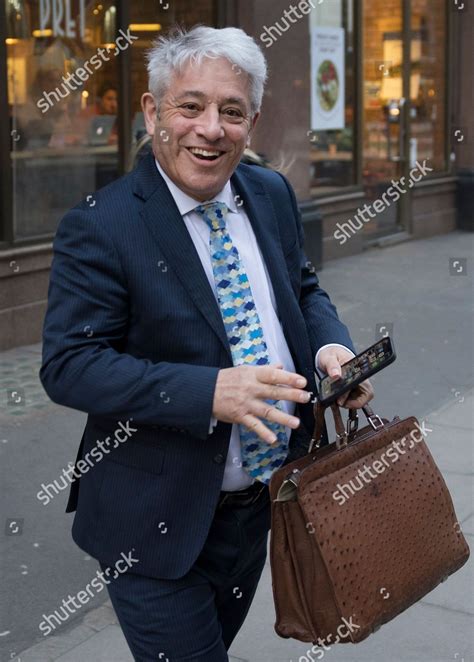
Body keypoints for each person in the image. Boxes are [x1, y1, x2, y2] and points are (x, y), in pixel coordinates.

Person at [40, 25, 373, 661]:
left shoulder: (269, 193)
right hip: (152, 524)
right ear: (153, 112)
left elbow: (302, 290)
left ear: (253, 119)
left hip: (261, 506)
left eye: (231, 111)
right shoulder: (101, 224)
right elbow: (69, 364)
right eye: (190, 106)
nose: (210, 128)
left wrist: (331, 347)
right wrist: (209, 390)